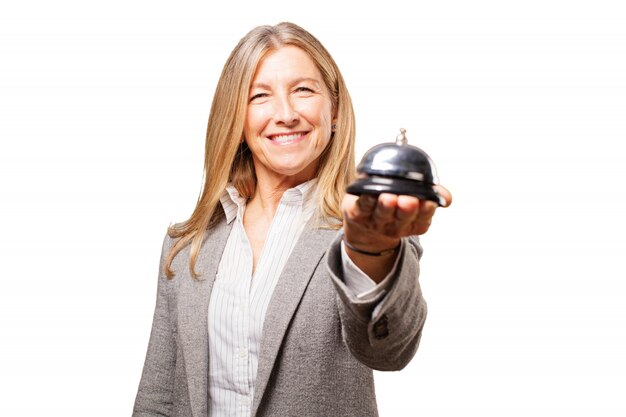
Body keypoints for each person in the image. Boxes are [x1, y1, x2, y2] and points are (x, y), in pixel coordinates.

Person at [133, 22, 452, 417]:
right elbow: (159, 397)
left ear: (333, 110)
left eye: (303, 90)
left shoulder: (366, 232)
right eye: (260, 96)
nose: (285, 114)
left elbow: (389, 351)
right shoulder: (187, 245)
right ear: (237, 119)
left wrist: (371, 249)